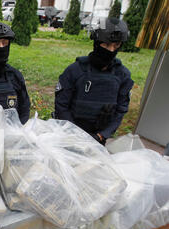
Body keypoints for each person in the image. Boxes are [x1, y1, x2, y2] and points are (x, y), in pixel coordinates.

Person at [54, 17, 134, 145]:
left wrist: (102, 135)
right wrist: (75, 134)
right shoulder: (75, 70)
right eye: (107, 44)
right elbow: (62, 106)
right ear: (97, 42)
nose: (111, 50)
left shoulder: (122, 75)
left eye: (116, 45)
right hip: (69, 136)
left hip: (98, 139)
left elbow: (120, 111)